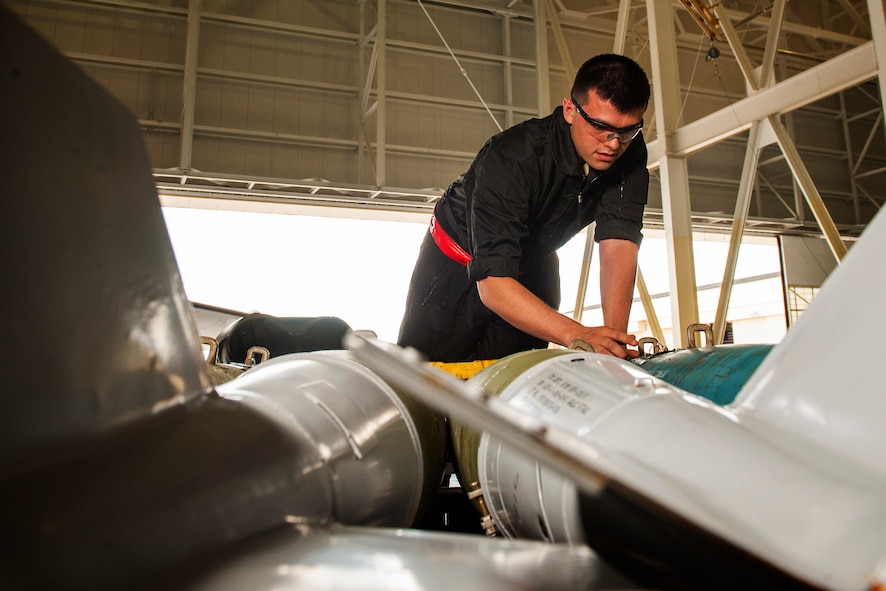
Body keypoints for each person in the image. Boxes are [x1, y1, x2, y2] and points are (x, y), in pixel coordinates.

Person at [398, 53, 651, 363]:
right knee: (426, 378)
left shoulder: (630, 151)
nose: (613, 144)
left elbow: (619, 240)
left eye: (627, 131)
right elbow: (493, 284)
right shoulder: (511, 159)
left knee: (520, 378)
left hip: (533, 264)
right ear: (570, 110)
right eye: (600, 127)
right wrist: (578, 334)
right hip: (457, 267)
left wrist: (613, 344)